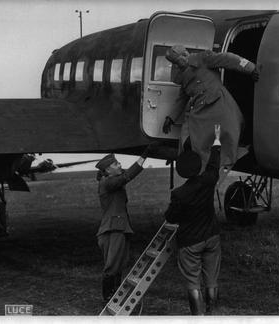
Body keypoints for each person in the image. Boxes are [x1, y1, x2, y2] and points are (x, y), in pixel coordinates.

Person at [162, 45, 259, 175]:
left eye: (180, 59)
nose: (180, 63)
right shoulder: (182, 75)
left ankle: (221, 162)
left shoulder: (203, 58)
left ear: (186, 53)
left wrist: (250, 67)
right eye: (176, 62)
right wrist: (171, 118)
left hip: (219, 105)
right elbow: (182, 98)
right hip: (200, 110)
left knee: (228, 133)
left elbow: (228, 59)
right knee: (188, 137)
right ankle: (198, 169)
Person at [164, 125, 222, 315]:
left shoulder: (179, 194)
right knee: (211, 280)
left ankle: (197, 318)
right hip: (212, 237)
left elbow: (171, 217)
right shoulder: (208, 180)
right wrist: (216, 142)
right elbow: (214, 164)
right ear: (198, 167)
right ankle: (211, 315)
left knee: (193, 283)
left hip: (190, 243)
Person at [95, 147, 151, 302]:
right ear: (107, 169)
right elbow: (126, 177)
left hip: (119, 227)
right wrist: (143, 156)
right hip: (113, 229)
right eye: (116, 164)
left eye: (119, 162)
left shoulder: (110, 180)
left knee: (119, 264)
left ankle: (115, 296)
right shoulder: (107, 182)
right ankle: (108, 298)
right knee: (112, 265)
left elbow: (123, 176)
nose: (119, 165)